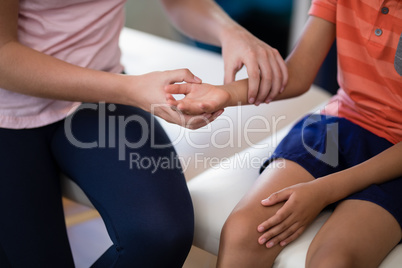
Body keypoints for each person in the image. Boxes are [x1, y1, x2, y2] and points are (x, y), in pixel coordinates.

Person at [0, 0, 288, 267]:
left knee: (160, 235)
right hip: (7, 110)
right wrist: (131, 90)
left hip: (99, 94)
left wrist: (230, 32)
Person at [165, 0, 402, 267]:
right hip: (340, 123)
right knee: (243, 230)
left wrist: (325, 190)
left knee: (334, 261)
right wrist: (225, 94)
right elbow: (298, 74)